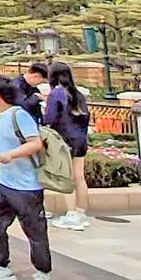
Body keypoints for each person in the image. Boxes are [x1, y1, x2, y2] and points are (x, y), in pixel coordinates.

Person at [0, 75, 52, 280]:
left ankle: (42, 274)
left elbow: (35, 143)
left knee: (34, 231)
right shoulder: (1, 117)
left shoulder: (19, 116)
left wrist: (10, 155)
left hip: (26, 186)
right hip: (3, 182)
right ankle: (1, 268)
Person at [45, 62, 91, 232]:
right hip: (80, 139)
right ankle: (80, 213)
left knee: (67, 177)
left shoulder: (56, 94)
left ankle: (71, 215)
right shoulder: (78, 94)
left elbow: (49, 118)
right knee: (79, 176)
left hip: (65, 140)